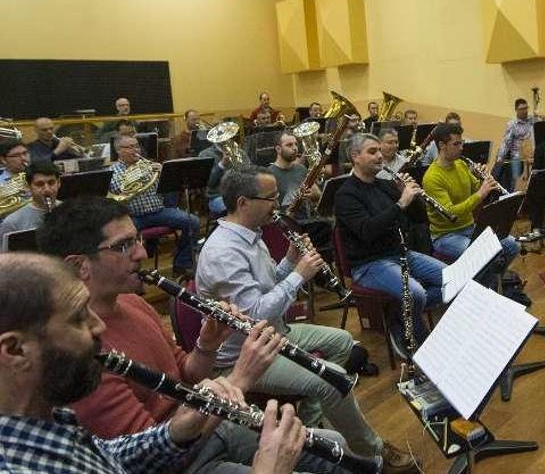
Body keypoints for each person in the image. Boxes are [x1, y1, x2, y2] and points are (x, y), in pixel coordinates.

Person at [35, 196, 340, 474]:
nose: (142, 252)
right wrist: (240, 380)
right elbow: (158, 455)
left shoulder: (133, 302)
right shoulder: (77, 351)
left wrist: (207, 345)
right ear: (79, 265)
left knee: (332, 446)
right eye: (124, 245)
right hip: (183, 463)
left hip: (210, 425)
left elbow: (186, 376)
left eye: (138, 239)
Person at [0, 253, 307, 474]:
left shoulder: (48, 415)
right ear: (14, 350)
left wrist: (175, 432)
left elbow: (107, 455)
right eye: (79, 317)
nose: (99, 327)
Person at [197, 165, 418, 473]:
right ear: (243, 203)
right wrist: (299, 276)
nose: (277, 204)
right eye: (270, 197)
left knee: (343, 343)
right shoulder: (224, 252)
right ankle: (374, 450)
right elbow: (254, 315)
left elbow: (268, 283)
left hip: (273, 334)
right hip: (245, 354)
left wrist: (289, 262)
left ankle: (311, 424)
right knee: (334, 379)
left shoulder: (252, 233)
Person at [335, 133, 445, 357]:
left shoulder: (385, 185)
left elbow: (416, 221)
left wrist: (413, 198)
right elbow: (367, 231)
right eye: (372, 151)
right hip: (369, 264)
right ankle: (422, 346)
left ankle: (398, 314)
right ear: (355, 156)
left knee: (453, 278)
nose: (380, 156)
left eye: (379, 150)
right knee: (415, 294)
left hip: (401, 254)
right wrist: (401, 202)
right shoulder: (345, 194)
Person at [422, 123, 520, 286]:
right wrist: (481, 193)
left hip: (469, 228)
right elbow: (451, 213)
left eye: (462, 143)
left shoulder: (460, 164)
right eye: (456, 144)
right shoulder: (432, 177)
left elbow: (474, 188)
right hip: (446, 236)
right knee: (484, 254)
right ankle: (477, 291)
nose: (461, 148)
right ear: (441, 145)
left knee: (512, 244)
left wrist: (483, 179)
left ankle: (489, 285)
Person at [110, 136, 200, 276]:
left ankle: (182, 263)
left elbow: (167, 188)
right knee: (123, 237)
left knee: (193, 222)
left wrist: (164, 174)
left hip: (158, 212)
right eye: (130, 147)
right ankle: (131, 273)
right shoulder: (113, 171)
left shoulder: (148, 165)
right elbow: (119, 188)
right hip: (132, 217)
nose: (135, 150)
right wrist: (139, 175)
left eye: (137, 146)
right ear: (118, 151)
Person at [271, 132, 332, 250]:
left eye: (295, 144)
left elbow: (318, 197)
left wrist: (315, 195)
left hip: (308, 222)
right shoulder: (269, 173)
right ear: (278, 149)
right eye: (289, 145)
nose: (294, 148)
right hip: (287, 226)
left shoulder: (301, 169)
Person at [1, 161, 60, 251]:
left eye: (51, 183)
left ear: (59, 183)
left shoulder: (72, 211)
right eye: (39, 184)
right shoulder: (12, 223)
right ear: (28, 186)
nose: (47, 189)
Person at [199, 132, 252, 216]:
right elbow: (209, 183)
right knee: (237, 209)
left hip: (241, 194)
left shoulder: (240, 152)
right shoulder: (205, 155)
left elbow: (250, 174)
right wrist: (222, 164)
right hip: (217, 196)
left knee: (258, 204)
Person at [496, 98, 538, 193]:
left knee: (537, 175)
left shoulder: (532, 120)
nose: (525, 111)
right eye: (522, 109)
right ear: (516, 110)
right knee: (514, 180)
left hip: (531, 155)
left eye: (526, 108)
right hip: (517, 157)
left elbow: (543, 128)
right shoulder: (512, 124)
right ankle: (510, 194)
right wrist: (500, 158)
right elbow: (506, 142)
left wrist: (541, 116)